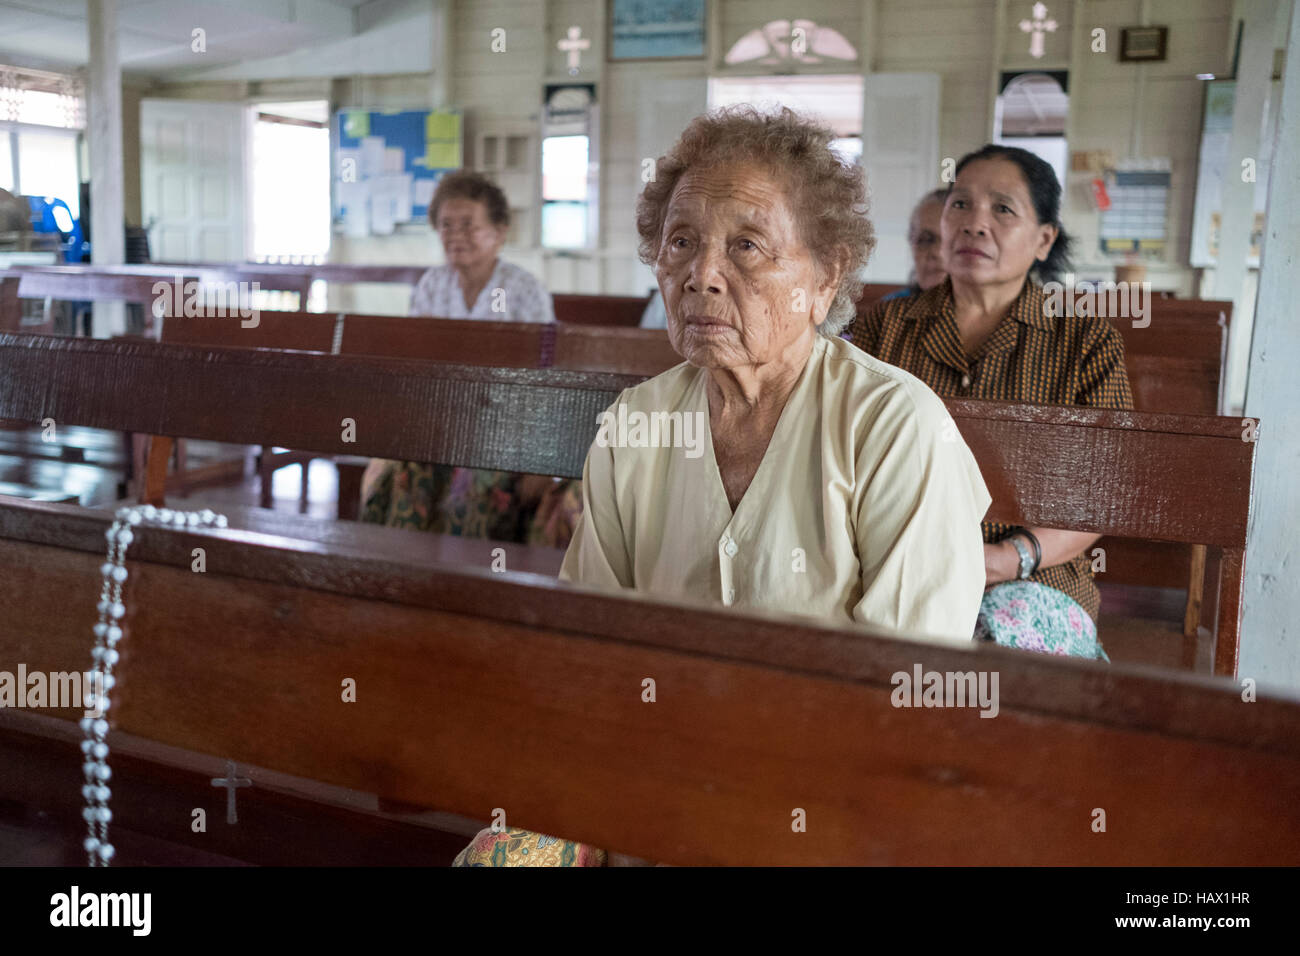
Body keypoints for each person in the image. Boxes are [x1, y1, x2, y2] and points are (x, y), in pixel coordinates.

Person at [453, 106, 992, 866]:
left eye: (747, 246)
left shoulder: (893, 424)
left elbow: (906, 690)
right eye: (681, 243)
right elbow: (596, 646)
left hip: (838, 787)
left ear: (824, 275)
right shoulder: (638, 422)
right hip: (651, 768)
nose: (701, 274)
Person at [848, 144, 1134, 660]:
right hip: (892, 564)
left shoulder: (1085, 341)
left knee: (998, 658)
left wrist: (1008, 558)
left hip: (1031, 577)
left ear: (1044, 239)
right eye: (960, 204)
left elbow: (1103, 490)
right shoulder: (883, 327)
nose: (974, 224)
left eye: (1002, 209)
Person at [362, 172, 573, 543]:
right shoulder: (432, 285)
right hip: (438, 426)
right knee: (394, 479)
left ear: (499, 231)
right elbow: (415, 370)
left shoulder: (524, 290)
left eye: (468, 225)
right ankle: (403, 583)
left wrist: (543, 459)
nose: (455, 235)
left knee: (470, 491)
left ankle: (467, 589)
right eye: (446, 225)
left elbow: (548, 380)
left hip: (505, 432)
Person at [880, 188, 948, 302]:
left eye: (949, 241)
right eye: (926, 240)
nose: (937, 252)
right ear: (911, 242)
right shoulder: (888, 311)